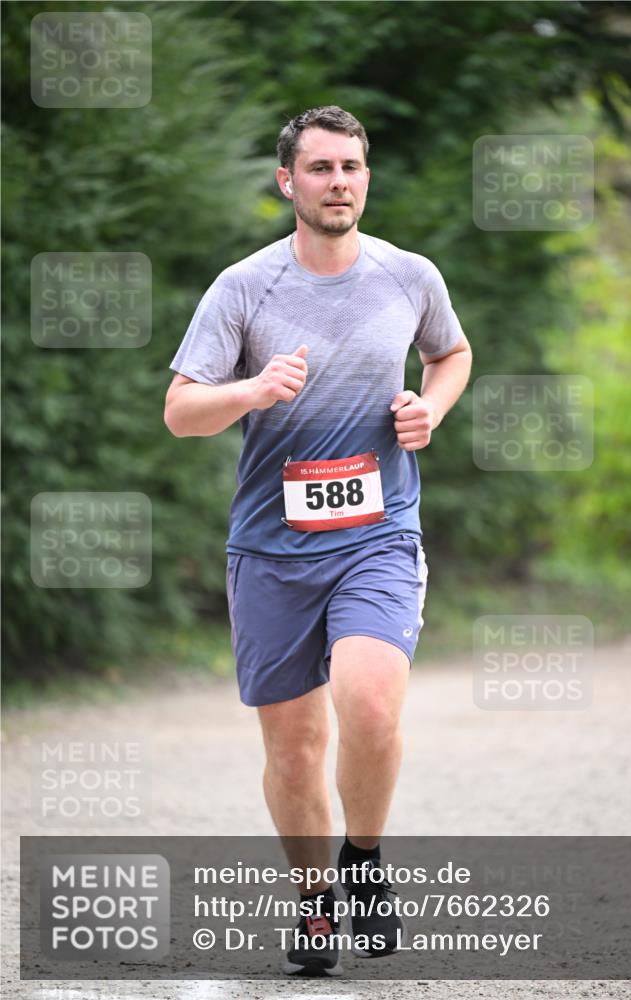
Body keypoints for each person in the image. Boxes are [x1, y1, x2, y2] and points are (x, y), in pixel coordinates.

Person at [164, 105, 472, 976]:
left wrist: (428, 409)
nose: (339, 183)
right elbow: (181, 411)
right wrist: (251, 391)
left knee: (369, 703)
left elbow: (450, 355)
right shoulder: (243, 288)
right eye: (321, 168)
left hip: (377, 533)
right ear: (287, 182)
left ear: (366, 177)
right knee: (294, 750)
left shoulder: (408, 276)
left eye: (351, 167)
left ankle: (362, 861)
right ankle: (314, 906)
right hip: (271, 548)